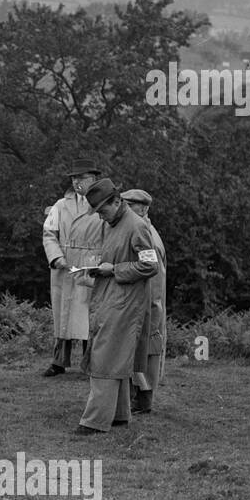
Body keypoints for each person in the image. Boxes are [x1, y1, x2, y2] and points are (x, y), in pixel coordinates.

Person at [74, 179, 159, 434]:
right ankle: (120, 415)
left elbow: (150, 266)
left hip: (125, 303)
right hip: (110, 297)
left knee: (104, 357)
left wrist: (115, 270)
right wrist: (100, 269)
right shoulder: (111, 224)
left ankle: (94, 421)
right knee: (115, 356)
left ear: (117, 201)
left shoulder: (137, 226)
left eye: (103, 210)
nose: (100, 216)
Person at [42, 158, 106, 376]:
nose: (77, 181)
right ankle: (58, 361)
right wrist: (56, 257)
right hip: (65, 265)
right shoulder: (61, 205)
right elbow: (49, 234)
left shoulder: (103, 203)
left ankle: (91, 362)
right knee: (63, 314)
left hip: (91, 264)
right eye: (74, 178)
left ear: (94, 179)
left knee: (90, 315)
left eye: (82, 177)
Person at [121, 189, 167, 414]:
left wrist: (148, 310)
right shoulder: (140, 230)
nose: (126, 210)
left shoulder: (147, 235)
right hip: (141, 305)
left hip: (148, 307)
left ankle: (143, 401)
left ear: (144, 209)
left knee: (147, 352)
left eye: (131, 206)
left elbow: (154, 281)